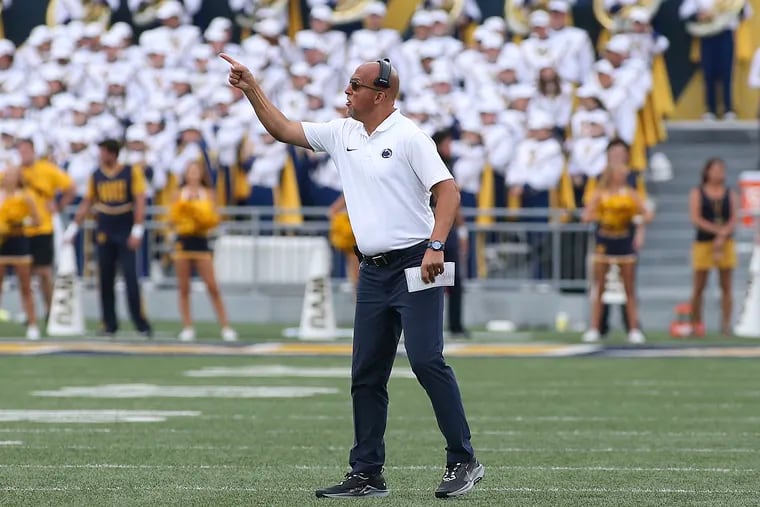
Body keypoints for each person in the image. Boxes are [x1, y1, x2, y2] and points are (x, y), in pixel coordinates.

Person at [221, 53, 483, 499]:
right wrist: (252, 90)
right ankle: (367, 472)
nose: (347, 90)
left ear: (379, 95)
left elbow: (448, 191)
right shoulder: (344, 132)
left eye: (355, 85)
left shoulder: (409, 136)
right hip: (375, 270)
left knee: (426, 360)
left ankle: (464, 459)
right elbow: (283, 129)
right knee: (366, 372)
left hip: (418, 260)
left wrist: (436, 246)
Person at [63, 139, 152, 338]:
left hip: (124, 226)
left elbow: (139, 199)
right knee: (105, 278)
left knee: (130, 277)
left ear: (113, 153)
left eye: (104, 152)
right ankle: (109, 323)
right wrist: (74, 226)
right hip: (105, 228)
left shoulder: (130, 171)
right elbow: (88, 201)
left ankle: (141, 323)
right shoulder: (96, 174)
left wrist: (137, 228)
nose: (101, 155)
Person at [582, 139, 652, 344]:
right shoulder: (600, 191)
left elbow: (645, 212)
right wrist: (601, 217)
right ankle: (596, 327)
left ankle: (633, 328)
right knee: (600, 286)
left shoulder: (631, 191)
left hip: (624, 239)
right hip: (605, 239)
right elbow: (587, 213)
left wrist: (637, 224)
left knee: (629, 287)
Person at [168, 161, 238, 342]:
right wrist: (184, 219)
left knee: (213, 287)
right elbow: (171, 219)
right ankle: (187, 327)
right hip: (183, 243)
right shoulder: (179, 194)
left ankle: (225, 326)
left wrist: (201, 220)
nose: (193, 175)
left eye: (196, 171)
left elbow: (215, 218)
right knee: (184, 288)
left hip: (201, 243)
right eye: (190, 171)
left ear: (201, 174)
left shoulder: (208, 194)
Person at [16, 138, 77, 320]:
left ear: (33, 150)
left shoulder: (46, 169)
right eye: (21, 150)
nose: (23, 154)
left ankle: (50, 310)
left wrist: (58, 206)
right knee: (25, 274)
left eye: (26, 150)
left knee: (43, 272)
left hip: (43, 226)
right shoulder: (16, 172)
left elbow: (70, 187)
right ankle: (29, 313)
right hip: (22, 228)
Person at [689, 158, 738, 336]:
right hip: (704, 242)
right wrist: (718, 231)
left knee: (726, 285)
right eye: (715, 169)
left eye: (721, 170)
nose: (719, 173)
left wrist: (723, 234)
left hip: (726, 243)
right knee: (699, 286)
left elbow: (734, 217)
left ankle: (725, 325)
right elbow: (696, 218)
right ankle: (696, 324)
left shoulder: (729, 193)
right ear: (707, 172)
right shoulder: (698, 192)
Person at [0, 166, 40, 339]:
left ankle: (32, 324)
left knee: (25, 285)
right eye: (7, 175)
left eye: (12, 175)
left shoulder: (25, 196)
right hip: (2, 243)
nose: (8, 178)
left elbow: (37, 220)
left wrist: (21, 221)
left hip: (19, 243)